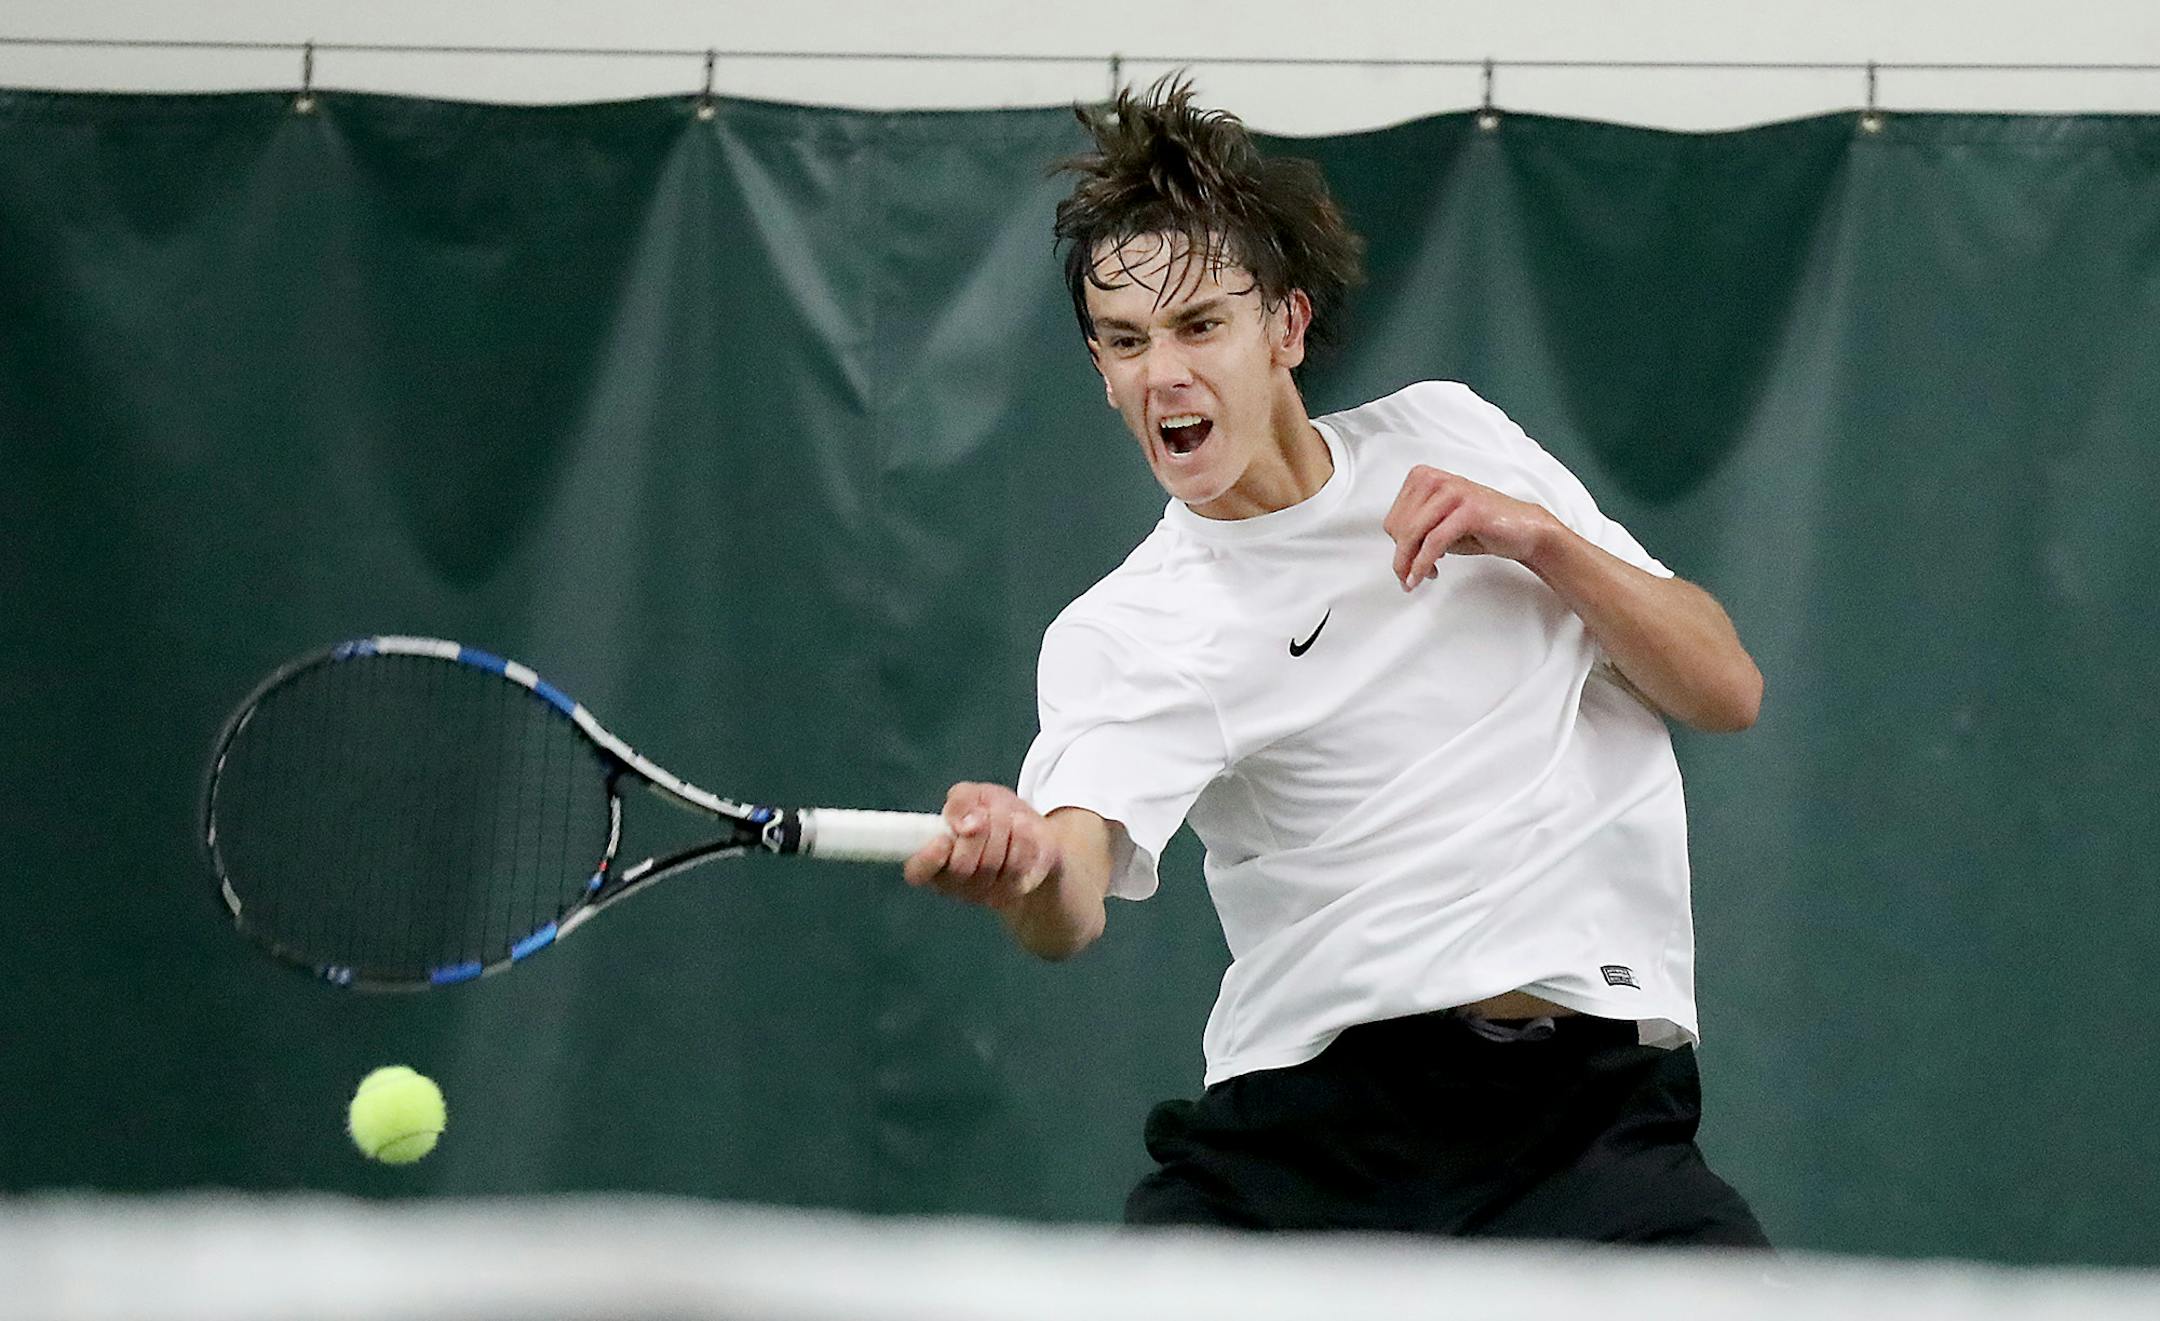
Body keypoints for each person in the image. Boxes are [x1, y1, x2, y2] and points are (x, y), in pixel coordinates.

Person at [902, 78, 1771, 1246]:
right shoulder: (1132, 629)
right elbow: (1072, 887)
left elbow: (1724, 687)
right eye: (1125, 342)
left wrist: (1540, 538)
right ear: (1101, 371)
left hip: (1593, 1126)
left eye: (1199, 324)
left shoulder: (1453, 433)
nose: (1163, 373)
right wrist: (1022, 871)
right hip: (1316, 1139)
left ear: (1288, 329)